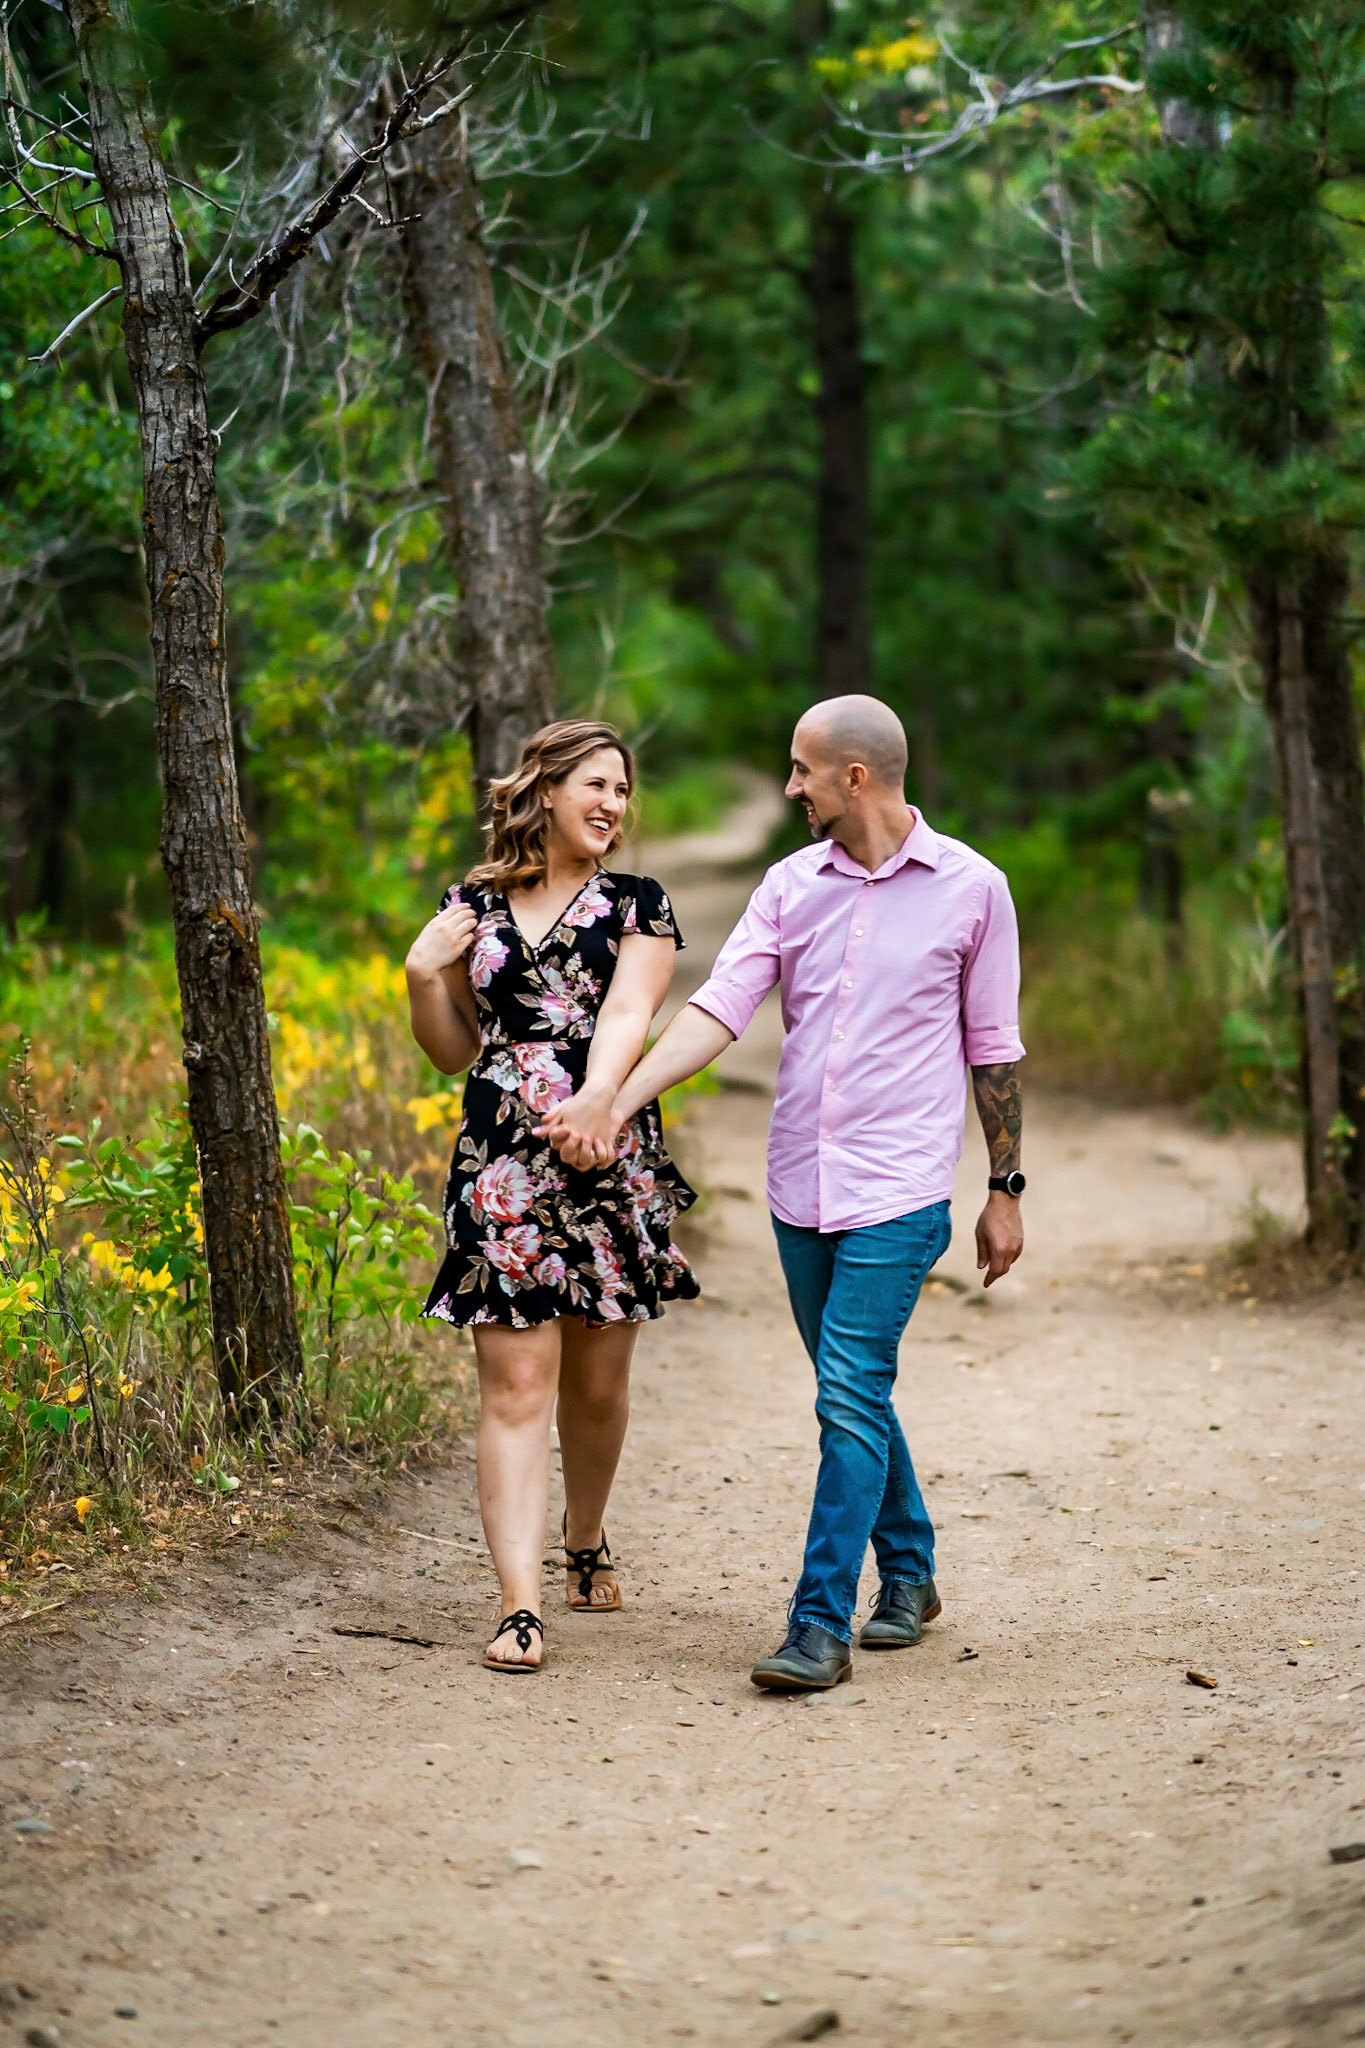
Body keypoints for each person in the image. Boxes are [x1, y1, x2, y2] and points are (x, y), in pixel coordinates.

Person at [542, 694, 1025, 1692]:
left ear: (856, 776)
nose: (789, 784)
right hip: (801, 1184)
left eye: (802, 769)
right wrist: (614, 1099)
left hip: (901, 1187)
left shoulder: (974, 888)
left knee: (847, 1390)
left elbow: (993, 1050)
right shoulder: (790, 884)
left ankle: (818, 1624)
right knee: (855, 1391)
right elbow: (719, 1007)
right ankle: (915, 1569)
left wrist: (1004, 1187)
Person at [404, 719, 699, 1672]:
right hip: (502, 1159)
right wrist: (422, 973)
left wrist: (597, 1102)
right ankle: (520, 1605)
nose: (614, 804)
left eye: (623, 789)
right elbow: (455, 1049)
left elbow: (627, 1011)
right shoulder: (471, 905)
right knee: (516, 1383)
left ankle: (586, 1534)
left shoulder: (638, 904)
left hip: (607, 1147)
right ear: (546, 788)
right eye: (596, 785)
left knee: (598, 1380)